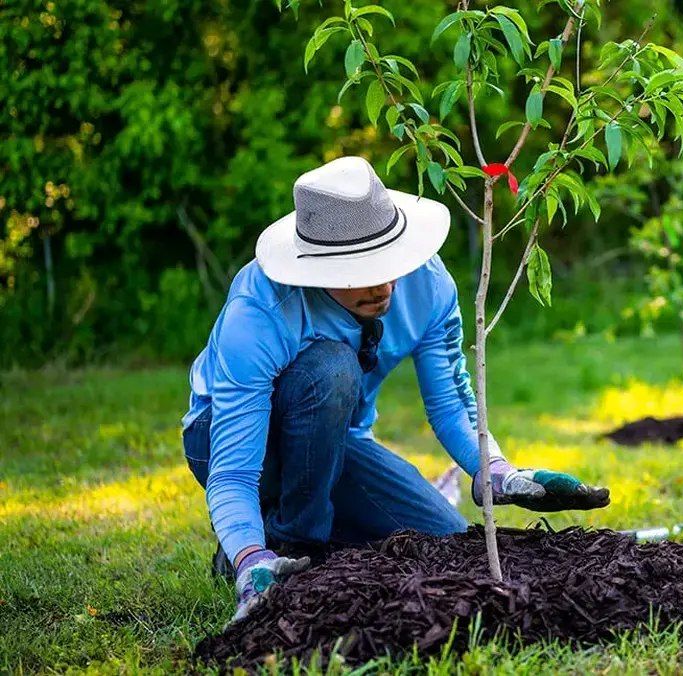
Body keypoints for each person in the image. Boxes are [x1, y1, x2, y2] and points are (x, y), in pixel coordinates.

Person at [182, 156, 608, 623]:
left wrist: (497, 472)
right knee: (332, 367)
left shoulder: (427, 284)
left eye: (389, 262)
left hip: (336, 443)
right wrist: (249, 558)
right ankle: (281, 547)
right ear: (317, 269)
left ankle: (289, 534)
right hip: (228, 441)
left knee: (443, 538)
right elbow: (233, 471)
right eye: (358, 270)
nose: (384, 284)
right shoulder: (262, 311)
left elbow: (451, 403)